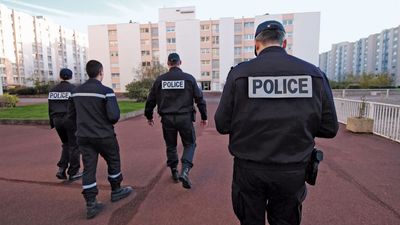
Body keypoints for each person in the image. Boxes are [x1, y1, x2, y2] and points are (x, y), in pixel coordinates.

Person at [214, 20, 339, 225]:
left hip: (249, 171)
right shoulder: (314, 74)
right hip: (292, 169)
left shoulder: (239, 74)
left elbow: (222, 124)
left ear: (256, 44)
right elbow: (329, 127)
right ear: (284, 43)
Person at [68, 60, 133, 219]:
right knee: (113, 160)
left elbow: (71, 116)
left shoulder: (75, 92)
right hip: (104, 135)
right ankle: (116, 190)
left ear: (87, 72)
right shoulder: (106, 91)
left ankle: (91, 203)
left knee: (89, 167)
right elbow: (113, 116)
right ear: (101, 72)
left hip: (83, 136)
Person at [145, 53, 208, 189]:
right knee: (190, 144)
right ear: (180, 62)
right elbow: (199, 99)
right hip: (185, 118)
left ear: (168, 63)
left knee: (171, 145)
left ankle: (174, 171)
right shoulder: (189, 79)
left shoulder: (160, 80)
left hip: (167, 119)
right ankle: (185, 170)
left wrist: (148, 115)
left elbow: (151, 100)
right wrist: (204, 116)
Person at [48, 68, 82, 181]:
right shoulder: (74, 89)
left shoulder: (53, 90)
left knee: (66, 144)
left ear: (60, 76)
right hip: (70, 120)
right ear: (71, 77)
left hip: (57, 120)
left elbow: (50, 108)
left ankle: (61, 169)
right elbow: (78, 107)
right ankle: (74, 172)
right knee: (74, 146)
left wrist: (52, 122)